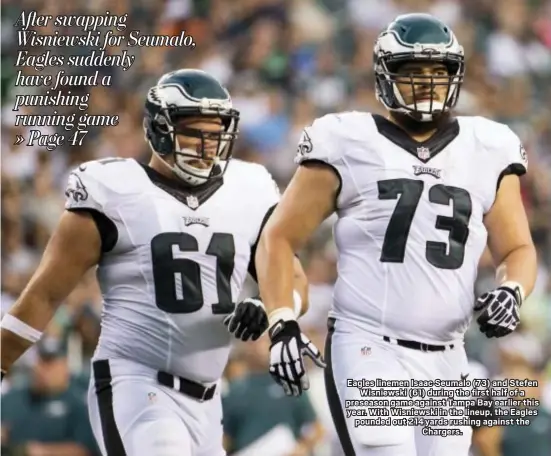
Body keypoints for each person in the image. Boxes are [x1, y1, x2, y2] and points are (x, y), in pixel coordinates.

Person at [255, 13, 537, 456]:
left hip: (448, 356)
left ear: (455, 77)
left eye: (437, 72)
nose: (426, 83)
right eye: (412, 72)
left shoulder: (488, 146)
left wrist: (513, 290)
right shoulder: (348, 140)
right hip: (369, 346)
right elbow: (279, 236)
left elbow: (518, 248)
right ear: (386, 76)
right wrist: (281, 320)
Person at [0, 69, 309, 456]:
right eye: (195, 132)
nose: (207, 145)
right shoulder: (113, 191)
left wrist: (272, 309)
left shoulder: (248, 190)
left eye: (215, 134)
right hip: (136, 381)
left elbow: (294, 278)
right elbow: (45, 294)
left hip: (208, 399)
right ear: (161, 130)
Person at [1, 337, 99, 456]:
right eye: (40, 361)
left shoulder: (80, 402)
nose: (42, 369)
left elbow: (86, 449)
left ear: (64, 366)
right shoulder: (13, 398)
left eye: (50, 362)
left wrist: (40, 451)